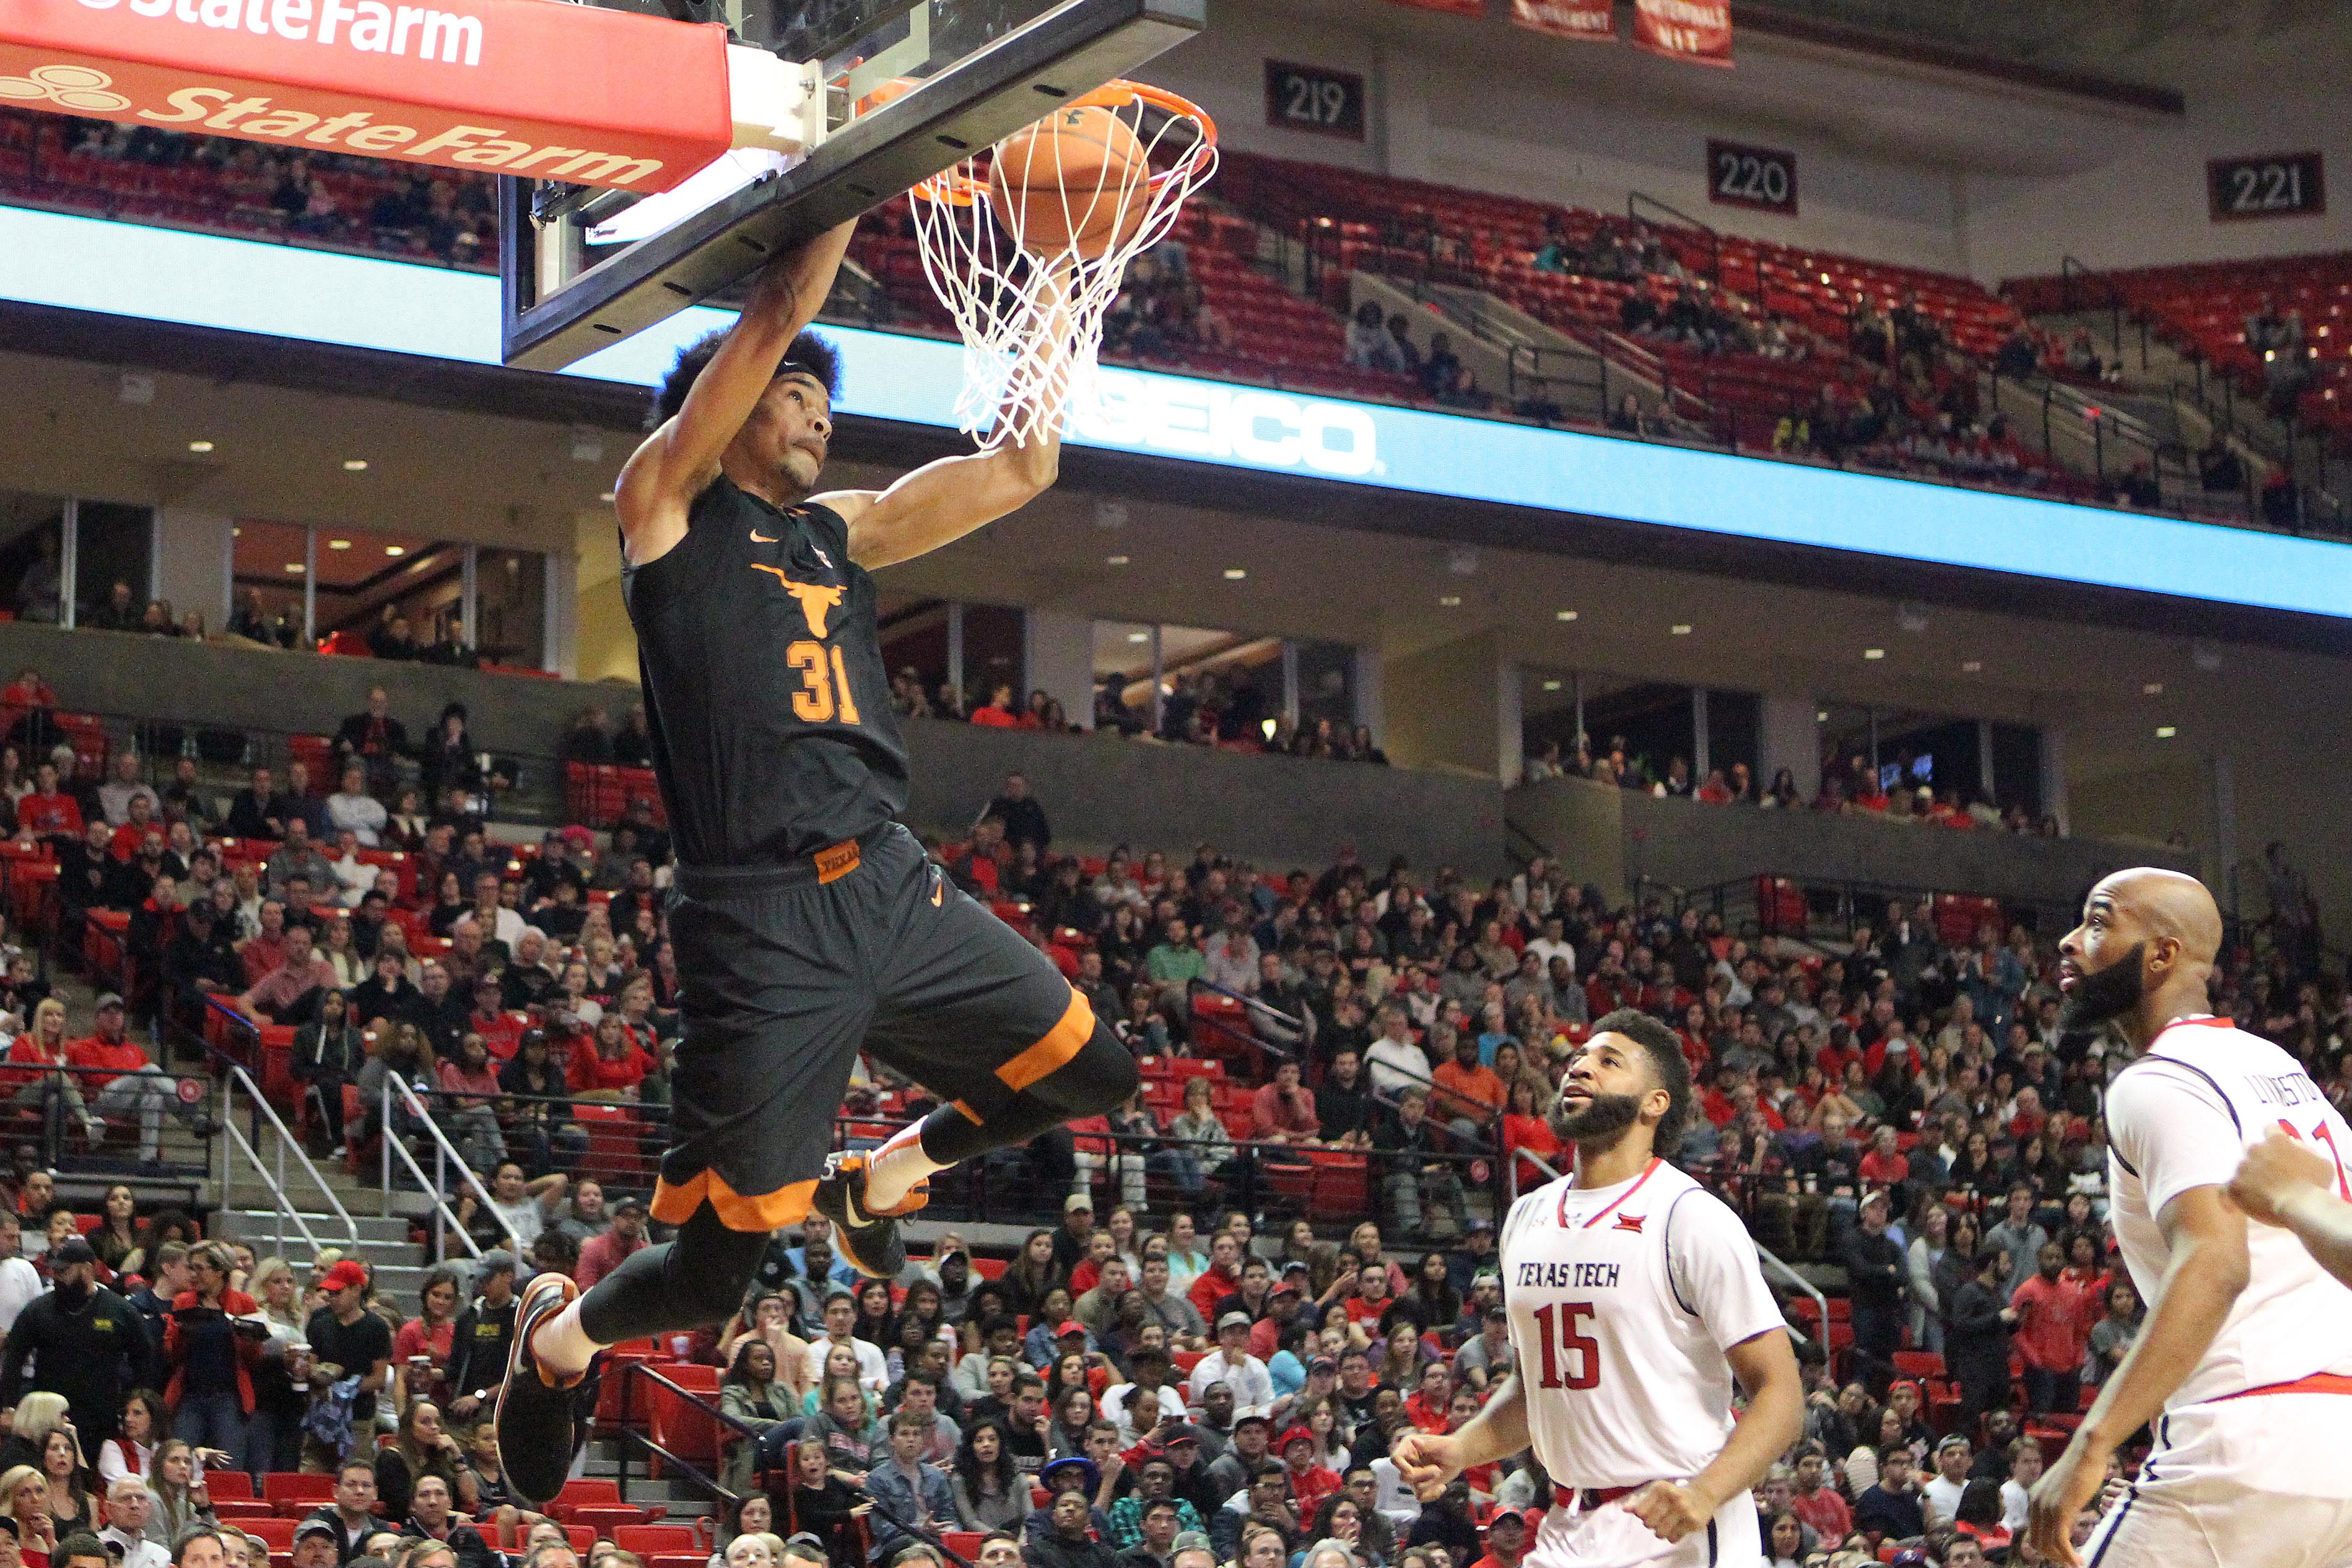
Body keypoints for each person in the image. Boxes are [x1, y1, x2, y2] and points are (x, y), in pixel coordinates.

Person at [498, 222, 1142, 1512]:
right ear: (721, 404)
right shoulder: (664, 504)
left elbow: (1022, 465)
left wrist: (1063, 293)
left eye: (822, 401)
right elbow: (778, 303)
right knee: (710, 1276)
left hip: (893, 883)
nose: (817, 417)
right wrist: (862, 153)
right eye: (795, 392)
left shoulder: (837, 535)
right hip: (763, 921)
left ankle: (886, 1174)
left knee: (1097, 1069)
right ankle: (559, 1344)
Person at [2021, 868, 2352, 1568]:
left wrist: (2094, 1443)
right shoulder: (2279, 1067)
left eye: (2100, 921)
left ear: (2163, 954)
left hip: (2245, 1438)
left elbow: (2217, 1261)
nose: (2070, 941)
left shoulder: (2159, 1081)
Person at [1390, 1010, 1802, 1567]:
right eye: (1580, 1057)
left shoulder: (1689, 1217)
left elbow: (1781, 1394)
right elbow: (1537, 1390)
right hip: (1569, 1524)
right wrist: (1462, 1447)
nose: (1581, 1067)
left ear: (1655, 1102)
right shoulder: (1527, 1216)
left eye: (1609, 1061)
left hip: (1673, 1522)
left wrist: (1705, 1494)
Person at [0, 1239, 155, 1461]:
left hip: (102, 1414)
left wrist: (134, 1404)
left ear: (87, 1269)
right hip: (51, 1415)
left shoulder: (119, 1310)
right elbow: (14, 1357)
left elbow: (145, 1358)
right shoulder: (39, 1310)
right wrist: (9, 1406)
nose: (57, 1277)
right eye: (55, 1271)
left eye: (65, 1271)